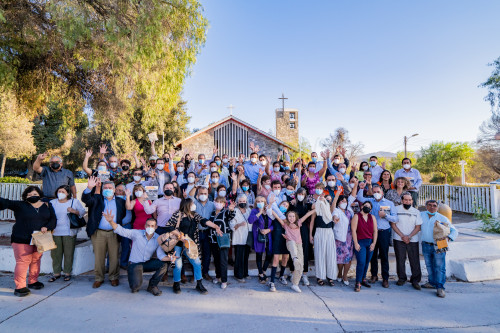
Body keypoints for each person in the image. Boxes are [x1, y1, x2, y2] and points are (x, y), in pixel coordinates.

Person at [0, 186, 56, 297]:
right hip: (21, 238)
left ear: (39, 195)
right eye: (29, 195)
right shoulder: (20, 205)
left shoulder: (47, 205)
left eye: (34, 194)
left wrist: (47, 227)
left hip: (40, 238)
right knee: (23, 261)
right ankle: (20, 287)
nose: (32, 196)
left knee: (36, 260)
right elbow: (5, 202)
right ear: (25, 197)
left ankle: (33, 281)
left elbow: (53, 219)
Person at [103, 215, 175, 296]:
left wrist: (170, 258)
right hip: (134, 264)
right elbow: (121, 230)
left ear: (156, 227)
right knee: (135, 288)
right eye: (148, 225)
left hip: (146, 263)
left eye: (152, 226)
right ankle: (135, 276)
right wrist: (110, 221)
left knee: (163, 265)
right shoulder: (137, 233)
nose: (150, 227)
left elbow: (160, 255)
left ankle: (152, 286)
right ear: (145, 226)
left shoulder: (158, 239)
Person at [166, 198, 221, 295]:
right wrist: (179, 235)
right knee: (178, 265)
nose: (194, 205)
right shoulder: (178, 214)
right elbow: (169, 226)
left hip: (191, 244)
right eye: (192, 204)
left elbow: (204, 221)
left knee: (197, 263)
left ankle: (199, 284)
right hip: (178, 244)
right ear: (187, 205)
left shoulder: (194, 214)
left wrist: (215, 226)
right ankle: (176, 284)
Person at [82, 176, 127, 288]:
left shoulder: (121, 201)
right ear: (102, 189)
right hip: (99, 233)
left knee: (114, 256)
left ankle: (114, 277)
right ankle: (99, 278)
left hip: (114, 232)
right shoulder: (97, 198)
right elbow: (86, 200)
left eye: (110, 187)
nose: (107, 189)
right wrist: (89, 187)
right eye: (105, 187)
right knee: (99, 257)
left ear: (114, 189)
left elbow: (123, 214)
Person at [357, 183, 397, 288]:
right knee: (372, 255)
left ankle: (385, 278)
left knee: (384, 255)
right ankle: (374, 275)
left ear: (382, 192)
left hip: (384, 232)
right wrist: (361, 188)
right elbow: (360, 197)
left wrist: (386, 215)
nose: (376, 194)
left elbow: (395, 218)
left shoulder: (389, 203)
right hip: (371, 233)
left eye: (378, 192)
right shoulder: (370, 202)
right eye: (374, 192)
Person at [420, 200, 458, 298]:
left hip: (440, 244)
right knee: (429, 265)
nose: (432, 207)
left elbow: (454, 230)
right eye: (430, 205)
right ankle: (432, 282)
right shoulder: (421, 215)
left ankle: (440, 287)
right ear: (426, 206)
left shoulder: (442, 218)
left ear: (437, 207)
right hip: (426, 244)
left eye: (434, 206)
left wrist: (449, 238)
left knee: (439, 266)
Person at [271, 209, 315, 293]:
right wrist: (271, 208)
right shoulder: (285, 225)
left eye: (293, 216)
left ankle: (295, 284)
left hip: (299, 245)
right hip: (290, 244)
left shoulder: (298, 223)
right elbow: (277, 216)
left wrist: (316, 208)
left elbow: (307, 214)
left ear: (296, 217)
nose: (291, 218)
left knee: (300, 266)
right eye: (289, 216)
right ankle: (294, 258)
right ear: (287, 217)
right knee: (292, 244)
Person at [49, 185, 86, 282]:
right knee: (56, 254)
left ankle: (67, 273)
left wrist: (74, 211)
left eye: (63, 192)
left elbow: (82, 212)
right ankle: (56, 273)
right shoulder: (52, 203)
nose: (60, 193)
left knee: (68, 253)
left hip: (69, 232)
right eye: (59, 191)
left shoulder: (74, 202)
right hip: (55, 231)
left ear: (68, 193)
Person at [392, 192, 422, 290]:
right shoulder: (396, 209)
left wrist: (409, 236)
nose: (407, 202)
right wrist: (402, 236)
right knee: (400, 259)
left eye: (409, 200)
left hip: (413, 239)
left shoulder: (416, 211)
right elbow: (393, 224)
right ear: (402, 200)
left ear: (412, 201)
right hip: (398, 238)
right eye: (405, 200)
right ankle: (402, 278)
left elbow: (418, 227)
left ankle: (415, 280)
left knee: (414, 260)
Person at [332, 178, 358, 286]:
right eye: (342, 201)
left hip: (349, 237)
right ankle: (339, 274)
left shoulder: (349, 211)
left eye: (345, 201)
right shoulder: (337, 210)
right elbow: (334, 215)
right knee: (340, 258)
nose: (344, 202)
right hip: (339, 237)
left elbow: (353, 195)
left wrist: (356, 185)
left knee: (348, 258)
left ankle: (345, 275)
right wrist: (335, 219)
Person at [187, 186, 215, 282]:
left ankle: (205, 272)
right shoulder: (193, 203)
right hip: (195, 232)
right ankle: (195, 273)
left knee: (207, 254)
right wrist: (195, 186)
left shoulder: (212, 204)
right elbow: (189, 196)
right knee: (195, 254)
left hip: (207, 232)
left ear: (208, 195)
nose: (203, 195)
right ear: (198, 195)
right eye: (201, 193)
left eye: (205, 193)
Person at [208, 197, 236, 289]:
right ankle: (218, 277)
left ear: (224, 204)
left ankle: (224, 280)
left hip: (223, 240)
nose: (218, 203)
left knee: (223, 261)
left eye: (221, 202)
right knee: (216, 260)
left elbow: (231, 215)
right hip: (213, 240)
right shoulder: (212, 213)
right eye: (217, 202)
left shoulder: (225, 212)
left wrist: (231, 210)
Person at [309, 196, 338, 286]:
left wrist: (337, 194)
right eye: (326, 199)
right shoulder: (317, 210)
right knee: (320, 254)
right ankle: (320, 277)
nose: (326, 201)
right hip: (319, 231)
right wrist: (310, 235)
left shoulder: (330, 211)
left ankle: (330, 277)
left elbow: (334, 204)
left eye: (328, 200)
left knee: (330, 255)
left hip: (329, 232)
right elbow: (312, 222)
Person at [351, 201, 378, 292]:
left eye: (369, 207)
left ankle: (363, 279)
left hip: (370, 242)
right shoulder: (356, 216)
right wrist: (356, 243)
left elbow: (375, 231)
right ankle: (357, 282)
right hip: (360, 242)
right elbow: (353, 230)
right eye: (366, 205)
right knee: (361, 262)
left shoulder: (372, 217)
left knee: (366, 262)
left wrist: (374, 243)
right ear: (362, 206)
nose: (367, 207)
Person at [248, 196, 274, 286]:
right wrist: (259, 213)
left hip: (268, 236)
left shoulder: (269, 211)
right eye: (258, 201)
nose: (260, 202)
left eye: (262, 201)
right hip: (259, 236)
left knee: (269, 254)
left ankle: (264, 270)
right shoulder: (254, 211)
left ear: (265, 202)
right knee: (259, 254)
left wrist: (268, 230)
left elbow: (274, 224)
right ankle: (260, 273)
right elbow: (250, 221)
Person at [291, 188, 312, 286]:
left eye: (302, 194)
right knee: (294, 250)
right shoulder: (292, 204)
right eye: (299, 193)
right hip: (293, 229)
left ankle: (304, 274)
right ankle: (293, 273)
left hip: (303, 230)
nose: (300, 195)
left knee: (305, 251)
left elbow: (315, 208)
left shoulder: (307, 205)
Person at [230, 194, 251, 282]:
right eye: (240, 201)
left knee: (246, 256)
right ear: (237, 202)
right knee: (239, 257)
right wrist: (238, 224)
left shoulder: (249, 210)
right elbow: (231, 225)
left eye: (244, 201)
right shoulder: (235, 211)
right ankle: (238, 275)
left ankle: (245, 273)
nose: (242, 203)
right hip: (239, 237)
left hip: (248, 237)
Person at [115, 184, 133, 268]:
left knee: (126, 245)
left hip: (126, 225)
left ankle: (124, 263)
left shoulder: (128, 199)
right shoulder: (112, 199)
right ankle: (110, 265)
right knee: (113, 246)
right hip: (114, 226)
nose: (118, 192)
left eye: (121, 190)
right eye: (117, 190)